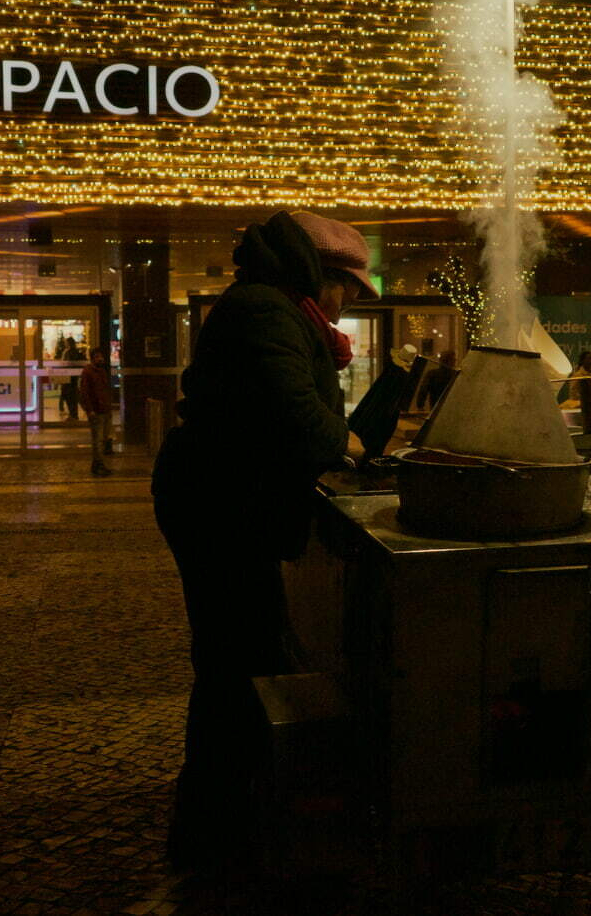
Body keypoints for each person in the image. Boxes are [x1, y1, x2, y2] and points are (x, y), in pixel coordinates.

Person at [152, 209, 377, 872]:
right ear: (319, 274)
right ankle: (210, 833)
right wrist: (346, 441)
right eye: (347, 292)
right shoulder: (265, 312)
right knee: (234, 664)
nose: (345, 307)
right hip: (218, 505)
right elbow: (295, 416)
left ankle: (231, 809)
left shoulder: (276, 312)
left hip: (224, 500)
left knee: (247, 652)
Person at [80, 347, 115, 476]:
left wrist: (109, 409)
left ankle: (97, 464)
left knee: (102, 439)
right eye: (97, 357)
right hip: (96, 411)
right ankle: (98, 465)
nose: (100, 359)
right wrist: (90, 410)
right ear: (92, 358)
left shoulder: (102, 371)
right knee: (98, 440)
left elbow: (105, 391)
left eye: (101, 356)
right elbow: (85, 393)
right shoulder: (88, 372)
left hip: (104, 410)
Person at [59, 336, 84, 420]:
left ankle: (73, 414)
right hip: (74, 377)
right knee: (72, 395)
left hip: (68, 376)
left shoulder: (68, 352)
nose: (65, 343)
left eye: (66, 342)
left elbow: (65, 364)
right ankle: (73, 414)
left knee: (68, 395)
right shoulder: (77, 352)